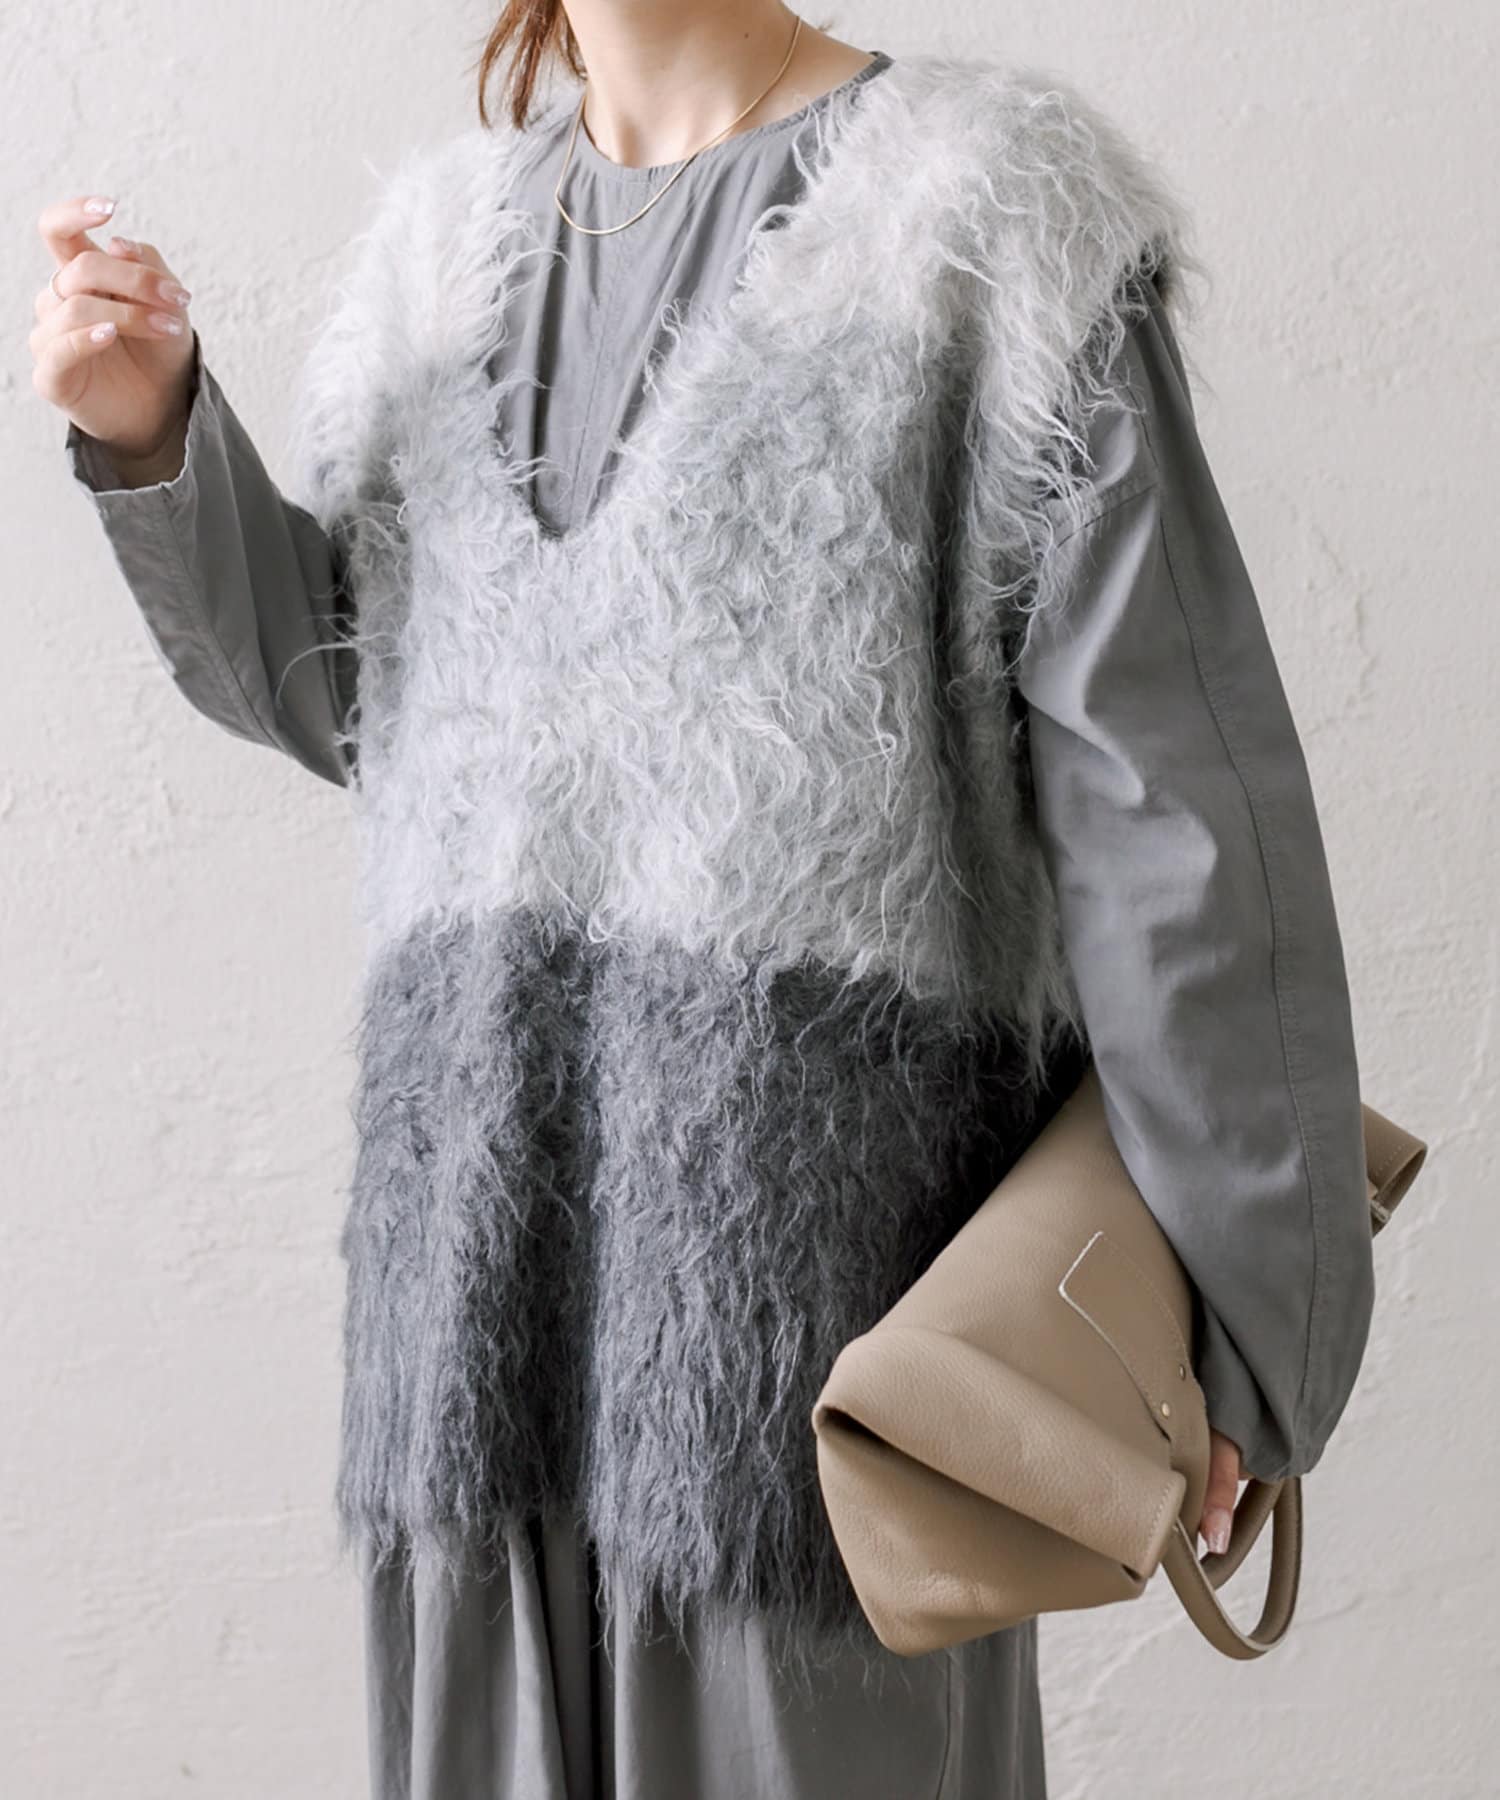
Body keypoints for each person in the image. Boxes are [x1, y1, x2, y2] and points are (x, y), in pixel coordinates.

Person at [33, 5, 1375, 1796]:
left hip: (819, 1402)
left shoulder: (993, 213)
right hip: (470, 1359)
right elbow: (367, 699)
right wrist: (154, 434)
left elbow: (1180, 823)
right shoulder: (438, 247)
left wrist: (1252, 1325)